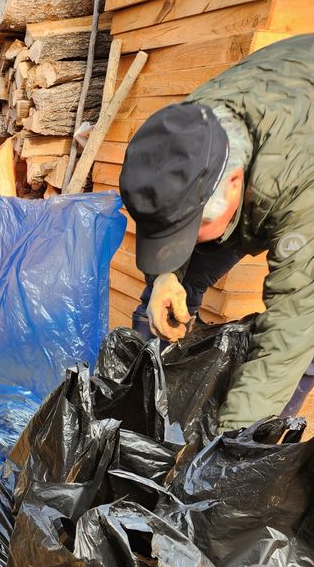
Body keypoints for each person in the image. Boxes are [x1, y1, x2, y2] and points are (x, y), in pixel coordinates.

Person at [118, 34, 314, 432]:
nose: (187, 240)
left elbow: (292, 328)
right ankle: (137, 424)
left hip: (298, 170)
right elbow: (171, 210)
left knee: (302, 348)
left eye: (196, 225)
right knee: (172, 288)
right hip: (274, 122)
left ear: (235, 183)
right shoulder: (188, 131)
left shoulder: (298, 194)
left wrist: (226, 451)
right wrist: (164, 279)